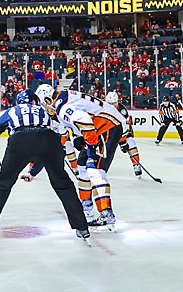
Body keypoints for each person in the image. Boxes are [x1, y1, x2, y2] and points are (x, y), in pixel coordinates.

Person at [0, 89, 89, 249]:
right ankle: (82, 227)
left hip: (20, 140)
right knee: (63, 184)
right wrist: (34, 171)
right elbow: (46, 144)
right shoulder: (44, 111)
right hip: (49, 139)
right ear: (35, 101)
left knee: (1, 186)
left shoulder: (12, 111)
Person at [36, 84, 128, 231]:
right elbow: (84, 116)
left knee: (95, 170)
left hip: (107, 127)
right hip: (99, 128)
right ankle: (87, 208)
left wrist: (91, 147)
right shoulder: (64, 98)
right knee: (83, 167)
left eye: (44, 105)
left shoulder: (62, 107)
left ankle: (106, 213)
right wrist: (79, 137)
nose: (46, 110)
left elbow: (84, 120)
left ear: (48, 100)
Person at [104, 91, 143, 178]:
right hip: (108, 131)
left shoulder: (122, 110)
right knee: (105, 150)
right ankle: (100, 168)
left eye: (113, 103)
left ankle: (136, 164)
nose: (111, 105)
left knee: (131, 144)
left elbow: (125, 127)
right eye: (109, 103)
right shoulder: (102, 107)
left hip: (123, 131)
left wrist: (123, 142)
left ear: (117, 102)